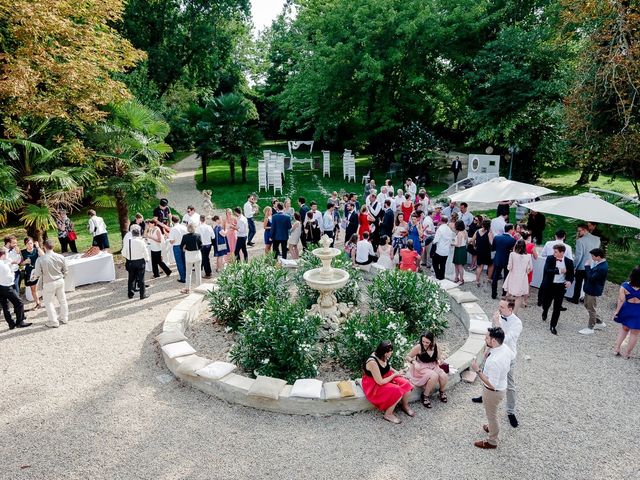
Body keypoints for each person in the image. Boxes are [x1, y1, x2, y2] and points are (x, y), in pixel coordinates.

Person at [472, 300, 523, 428]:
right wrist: (487, 349)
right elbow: (491, 336)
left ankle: (510, 411)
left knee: (510, 384)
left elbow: (505, 339)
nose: (499, 309)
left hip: (507, 357)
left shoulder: (517, 323)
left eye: (502, 307)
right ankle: (485, 396)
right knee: (487, 374)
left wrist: (498, 323)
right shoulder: (500, 316)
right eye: (499, 306)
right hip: (493, 352)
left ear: (510, 309)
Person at [470, 326, 515, 449]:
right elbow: (511, 359)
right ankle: (490, 427)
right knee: (492, 413)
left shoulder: (495, 361)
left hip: (493, 392)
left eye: (487, 338)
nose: (485, 339)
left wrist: (477, 370)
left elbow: (491, 384)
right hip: (501, 386)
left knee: (492, 415)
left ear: (494, 341)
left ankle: (492, 441)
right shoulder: (504, 348)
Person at [361, 340, 414, 424]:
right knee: (397, 390)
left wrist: (397, 373)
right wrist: (394, 375)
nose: (391, 353)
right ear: (384, 352)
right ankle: (388, 414)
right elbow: (380, 382)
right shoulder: (372, 362)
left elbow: (387, 367)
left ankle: (405, 405)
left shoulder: (383, 355)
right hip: (374, 384)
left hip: (386, 375)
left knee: (406, 383)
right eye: (390, 351)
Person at [406, 331, 449, 408]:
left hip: (433, 365)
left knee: (444, 376)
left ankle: (441, 391)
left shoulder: (435, 346)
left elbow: (439, 357)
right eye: (423, 341)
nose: (425, 344)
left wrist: (440, 360)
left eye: (427, 342)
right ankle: (425, 395)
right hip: (421, 367)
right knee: (434, 376)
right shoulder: (418, 347)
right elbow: (408, 356)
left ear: (432, 341)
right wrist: (414, 363)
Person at [541, 244, 575, 335]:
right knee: (546, 303)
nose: (554, 253)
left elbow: (571, 274)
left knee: (557, 307)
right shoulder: (550, 259)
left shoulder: (569, 262)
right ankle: (545, 311)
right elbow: (547, 271)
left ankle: (553, 325)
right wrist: (560, 271)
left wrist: (569, 281)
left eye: (555, 252)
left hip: (560, 287)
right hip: (550, 285)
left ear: (562, 252)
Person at [579, 248, 608, 335]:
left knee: (591, 308)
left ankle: (590, 327)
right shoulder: (599, 264)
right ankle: (599, 322)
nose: (591, 257)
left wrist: (587, 267)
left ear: (598, 256)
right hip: (591, 288)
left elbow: (591, 278)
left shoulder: (602, 267)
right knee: (587, 305)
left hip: (593, 289)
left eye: (592, 256)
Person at [613, 266, 640, 358]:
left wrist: (616, 312)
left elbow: (621, 300)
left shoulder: (624, 286)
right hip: (638, 312)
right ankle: (627, 353)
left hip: (627, 309)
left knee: (624, 329)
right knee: (635, 333)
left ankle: (616, 348)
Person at [0, 247, 30, 329]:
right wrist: (12, 272)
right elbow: (10, 278)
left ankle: (11, 323)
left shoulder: (3, 263)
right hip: (7, 287)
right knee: (19, 303)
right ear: (2, 255)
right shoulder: (4, 266)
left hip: (0, 287)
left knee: (5, 307)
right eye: (6, 254)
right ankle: (20, 322)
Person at [571, 224, 601, 304]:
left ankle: (575, 299)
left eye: (579, 231)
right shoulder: (597, 239)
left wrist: (574, 266)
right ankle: (586, 300)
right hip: (592, 265)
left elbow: (578, 256)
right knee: (588, 284)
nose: (578, 232)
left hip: (582, 266)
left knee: (578, 284)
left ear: (585, 230)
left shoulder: (580, 241)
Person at [502, 240, 533, 313]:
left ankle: (505, 309)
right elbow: (530, 268)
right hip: (522, 278)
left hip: (513, 276)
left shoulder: (512, 254)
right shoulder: (528, 256)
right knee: (519, 296)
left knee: (509, 293)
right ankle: (514, 312)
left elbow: (509, 267)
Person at [122, 225, 150, 300]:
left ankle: (130, 294)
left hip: (130, 262)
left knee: (131, 278)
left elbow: (123, 253)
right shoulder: (141, 242)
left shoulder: (128, 242)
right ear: (139, 234)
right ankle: (142, 295)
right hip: (140, 262)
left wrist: (128, 257)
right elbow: (145, 252)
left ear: (132, 234)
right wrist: (147, 259)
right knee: (141, 279)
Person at [491, 224, 517, 299]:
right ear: (510, 230)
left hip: (498, 258)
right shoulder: (512, 240)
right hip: (507, 260)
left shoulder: (497, 237)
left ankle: (493, 294)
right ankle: (504, 293)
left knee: (495, 277)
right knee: (506, 277)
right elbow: (513, 251)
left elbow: (493, 248)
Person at [21, 237, 44, 309]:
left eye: (31, 243)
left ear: (33, 243)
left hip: (39, 271)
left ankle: (47, 301)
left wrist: (37, 247)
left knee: (44, 286)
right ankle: (38, 303)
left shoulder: (36, 250)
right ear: (25, 244)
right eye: (28, 244)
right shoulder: (23, 252)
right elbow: (20, 263)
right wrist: (24, 262)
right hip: (30, 273)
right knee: (33, 289)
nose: (30, 245)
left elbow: (43, 256)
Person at [180, 223, 202, 294]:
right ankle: (199, 287)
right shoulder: (198, 235)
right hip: (197, 254)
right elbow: (201, 245)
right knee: (198, 272)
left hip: (189, 255)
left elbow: (181, 246)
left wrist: (185, 248)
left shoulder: (185, 236)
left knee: (188, 273)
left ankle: (187, 288)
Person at [471, 219, 493, 287]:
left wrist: (475, 246)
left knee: (480, 266)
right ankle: (489, 279)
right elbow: (491, 243)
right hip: (487, 251)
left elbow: (472, 240)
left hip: (479, 251)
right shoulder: (489, 232)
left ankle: (477, 281)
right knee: (491, 264)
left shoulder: (477, 231)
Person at [168, 215, 188, 282]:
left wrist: (173, 240)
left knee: (179, 262)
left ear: (173, 221)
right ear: (179, 220)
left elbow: (171, 241)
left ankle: (183, 277)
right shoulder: (184, 227)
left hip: (177, 246)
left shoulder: (173, 229)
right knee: (185, 261)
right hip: (185, 245)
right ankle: (187, 275)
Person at [453, 220, 468, 284]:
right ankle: (457, 277)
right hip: (463, 249)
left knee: (459, 266)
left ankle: (461, 279)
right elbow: (466, 242)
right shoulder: (465, 232)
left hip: (459, 250)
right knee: (459, 265)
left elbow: (458, 245)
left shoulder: (459, 233)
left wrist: (452, 243)